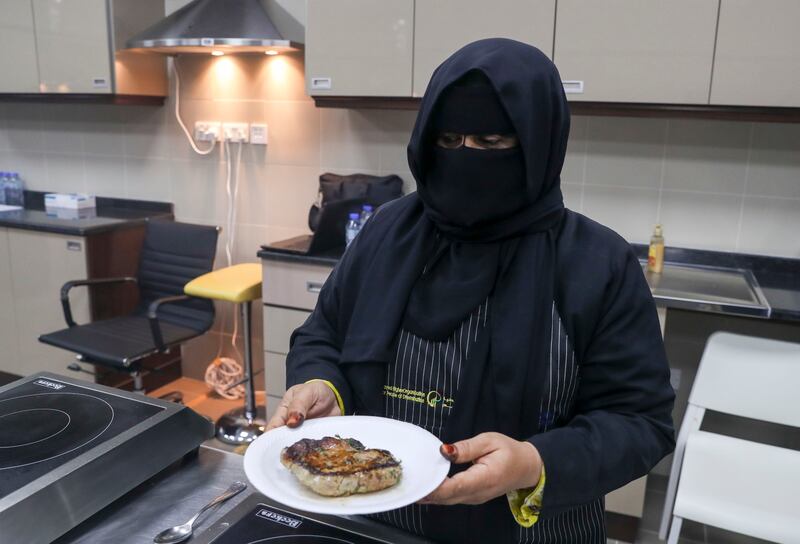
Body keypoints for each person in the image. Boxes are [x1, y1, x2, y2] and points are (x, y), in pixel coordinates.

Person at [266, 38, 675, 543]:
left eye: (493, 143)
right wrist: (321, 385)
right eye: (450, 140)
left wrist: (533, 462)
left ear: (539, 143)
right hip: (373, 521)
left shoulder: (596, 263)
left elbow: (640, 421)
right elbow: (323, 333)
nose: (468, 158)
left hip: (532, 532)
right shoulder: (387, 231)